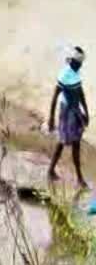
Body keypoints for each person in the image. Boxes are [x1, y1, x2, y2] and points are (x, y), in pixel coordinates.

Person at [48, 47, 89, 187]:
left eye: (81, 63)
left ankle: (78, 178)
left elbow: (80, 92)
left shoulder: (76, 74)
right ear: (72, 61)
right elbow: (55, 97)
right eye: (78, 63)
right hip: (66, 112)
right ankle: (51, 171)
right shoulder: (64, 75)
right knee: (62, 142)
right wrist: (51, 118)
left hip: (75, 111)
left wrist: (86, 111)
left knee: (75, 143)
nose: (80, 65)